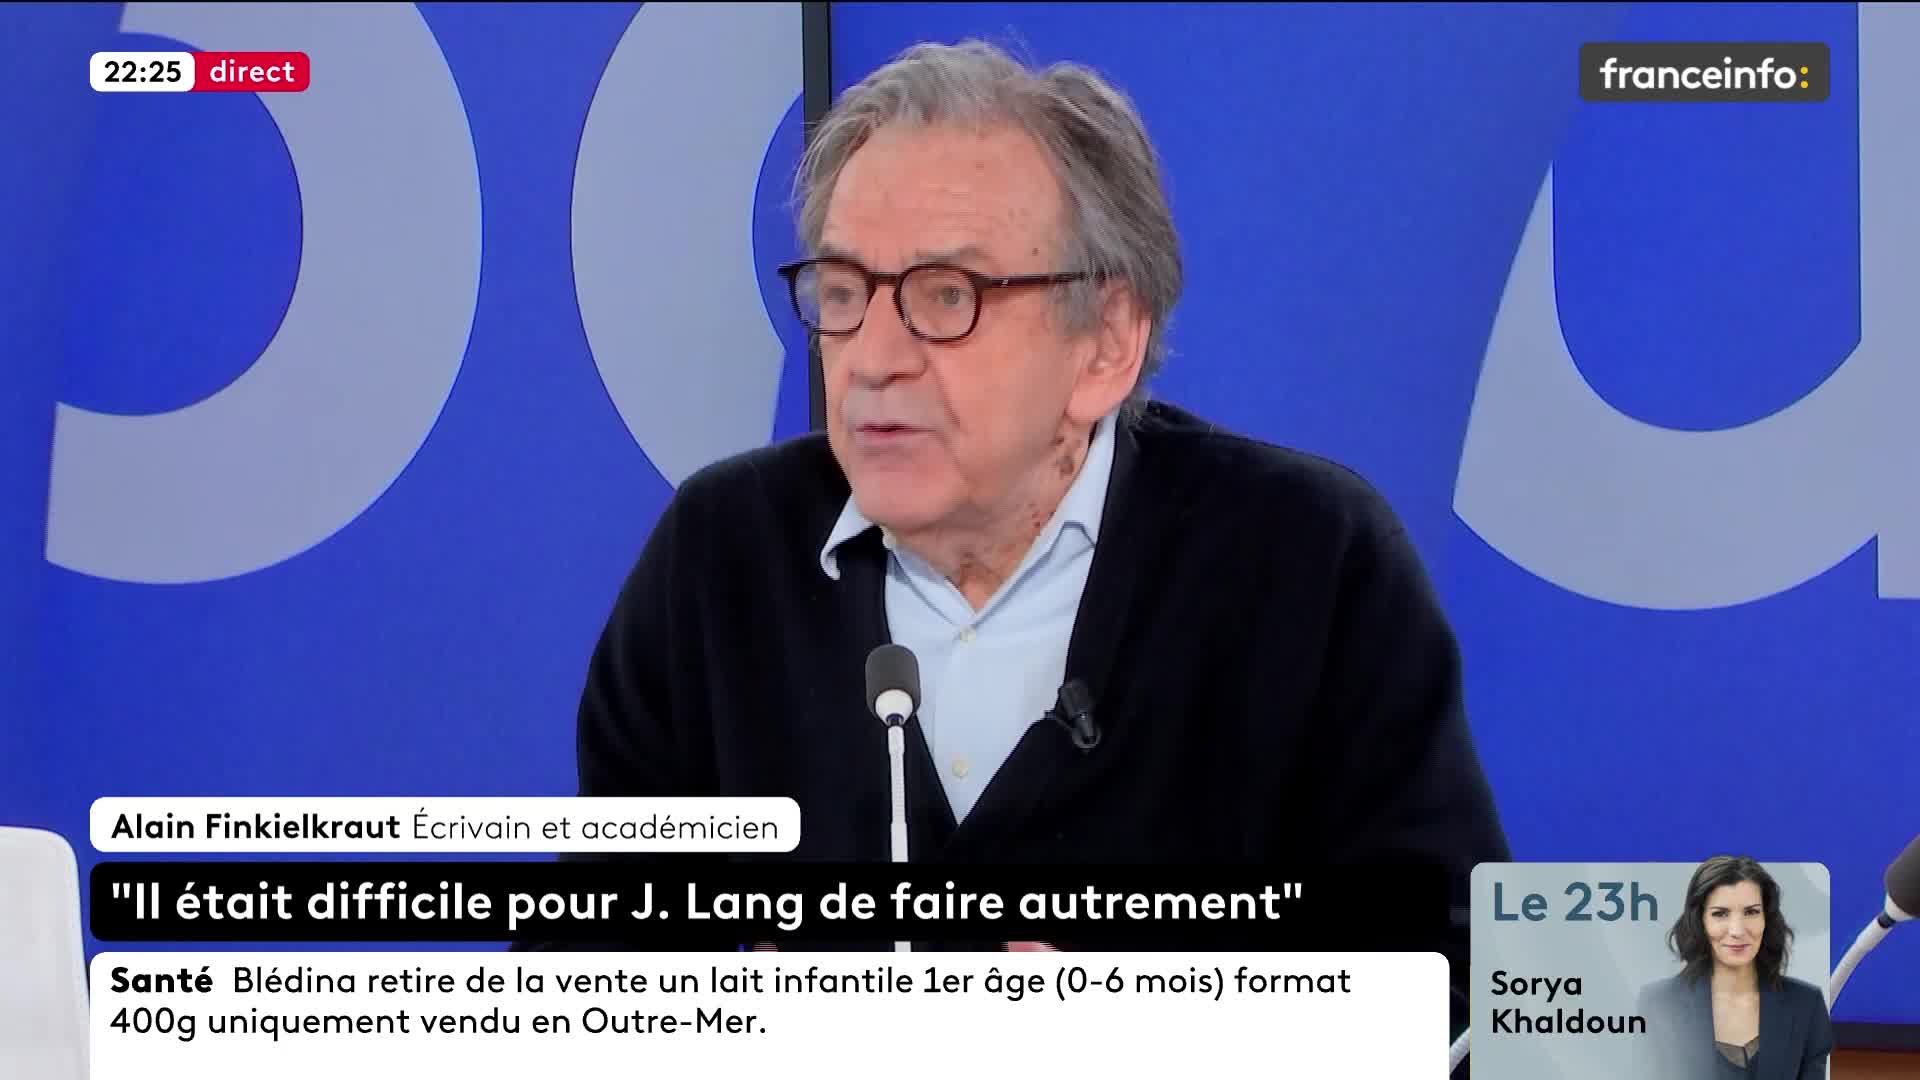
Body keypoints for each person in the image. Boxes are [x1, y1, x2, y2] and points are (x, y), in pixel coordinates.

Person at [563, 38, 1508, 1025]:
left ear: (1105, 343)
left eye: (946, 297)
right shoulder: (722, 558)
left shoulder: (1305, 562)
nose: (873, 358)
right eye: (842, 294)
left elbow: (1465, 991)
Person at [1635, 856, 1833, 1080]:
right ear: (1700, 921)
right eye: (1720, 914)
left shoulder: (1806, 1004)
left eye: (1751, 912)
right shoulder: (1658, 1003)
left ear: (1766, 919)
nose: (1737, 930)